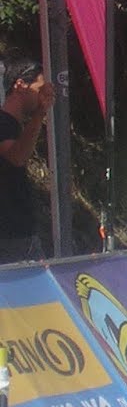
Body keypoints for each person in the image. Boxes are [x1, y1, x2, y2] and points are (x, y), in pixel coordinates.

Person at [0, 53, 54, 263]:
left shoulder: (13, 125)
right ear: (20, 85)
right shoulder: (3, 123)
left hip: (16, 231)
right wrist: (40, 113)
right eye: (40, 89)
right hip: (10, 235)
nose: (43, 96)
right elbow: (17, 156)